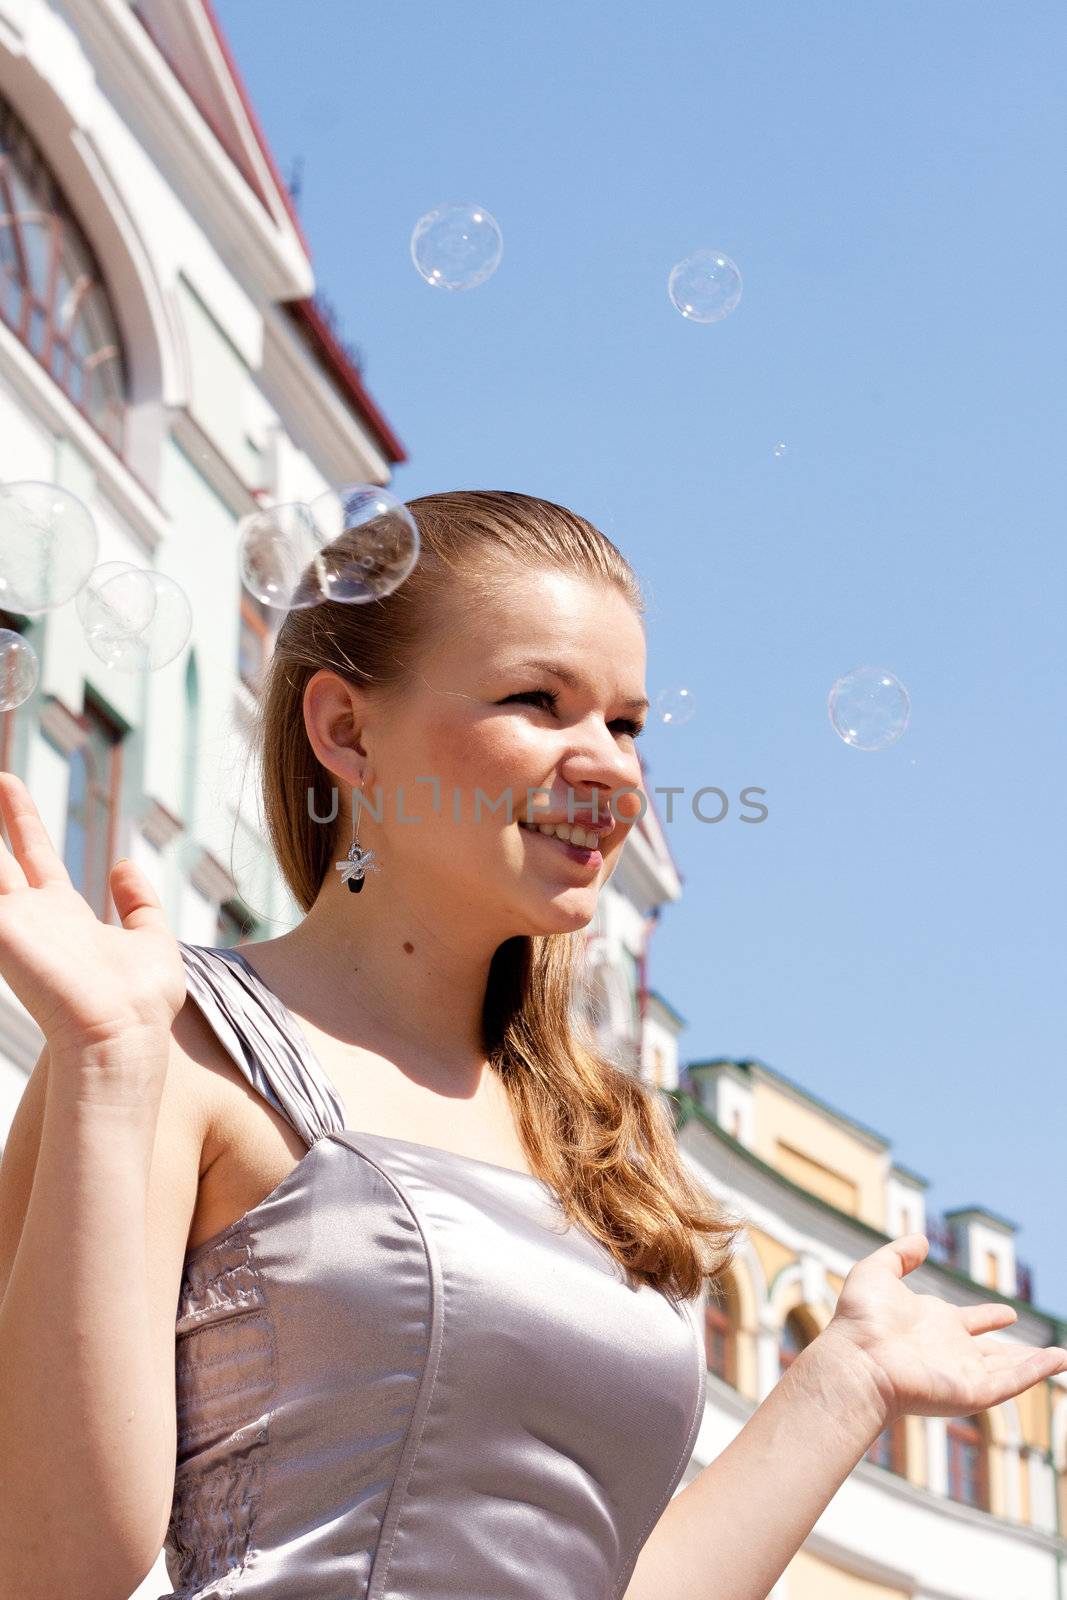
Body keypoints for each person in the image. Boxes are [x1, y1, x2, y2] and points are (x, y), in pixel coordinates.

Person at [0, 490, 1062, 1600]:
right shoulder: (169, 1041)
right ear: (345, 730)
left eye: (626, 723)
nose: (608, 765)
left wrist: (848, 1381)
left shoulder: (605, 1135)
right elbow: (46, 1566)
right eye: (537, 701)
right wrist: (110, 1075)